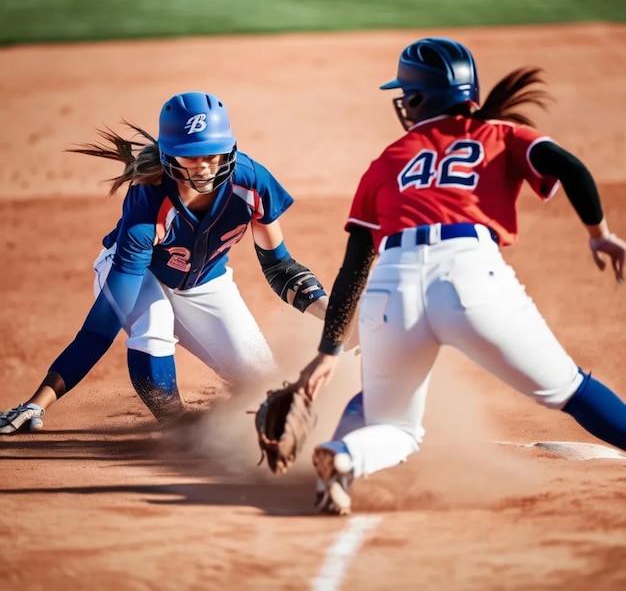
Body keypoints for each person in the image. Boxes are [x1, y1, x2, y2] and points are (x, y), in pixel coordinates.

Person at [295, 37, 626, 515]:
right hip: (469, 274)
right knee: (571, 390)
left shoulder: (388, 160)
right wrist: (600, 234)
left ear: (415, 100)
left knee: (395, 426)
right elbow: (570, 168)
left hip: (391, 286)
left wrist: (327, 353)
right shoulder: (503, 135)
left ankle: (347, 455)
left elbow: (353, 267)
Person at [0, 91, 329, 434]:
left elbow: (279, 267)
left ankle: (231, 430)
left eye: (212, 154)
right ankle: (176, 429)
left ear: (229, 149)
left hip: (205, 282)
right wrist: (39, 401)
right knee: (153, 327)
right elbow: (101, 328)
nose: (203, 165)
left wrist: (333, 315)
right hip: (140, 274)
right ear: (169, 155)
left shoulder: (251, 182)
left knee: (261, 380)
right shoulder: (148, 206)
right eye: (190, 156)